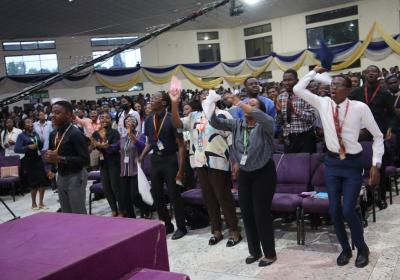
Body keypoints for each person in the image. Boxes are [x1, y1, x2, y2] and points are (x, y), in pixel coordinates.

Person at [293, 66, 384, 268]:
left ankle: (362, 248)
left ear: (348, 89)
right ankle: (345, 248)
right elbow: (298, 89)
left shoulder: (360, 108)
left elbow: (378, 136)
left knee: (348, 210)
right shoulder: (323, 103)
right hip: (332, 162)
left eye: (338, 85)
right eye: (332, 84)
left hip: (352, 163)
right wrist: (313, 73)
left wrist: (376, 163)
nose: (333, 88)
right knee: (333, 211)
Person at [206, 92, 277, 267]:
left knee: (261, 214)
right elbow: (215, 122)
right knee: (247, 214)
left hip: (264, 173)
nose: (247, 106)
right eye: (246, 103)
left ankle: (269, 253)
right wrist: (211, 103)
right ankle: (254, 251)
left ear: (260, 110)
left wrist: (238, 102)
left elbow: (261, 116)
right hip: (245, 174)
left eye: (253, 104)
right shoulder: (238, 124)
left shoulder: (265, 123)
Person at [170, 90, 242, 247]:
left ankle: (234, 231)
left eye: (207, 95)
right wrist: (174, 104)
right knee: (209, 199)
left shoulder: (223, 114)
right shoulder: (194, 116)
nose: (204, 97)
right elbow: (177, 124)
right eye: (201, 96)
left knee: (223, 197)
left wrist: (235, 162)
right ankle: (216, 230)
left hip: (218, 161)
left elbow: (232, 140)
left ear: (215, 99)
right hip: (200, 162)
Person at [139, 91, 187, 240]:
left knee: (174, 194)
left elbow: (181, 145)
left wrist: (181, 168)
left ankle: (181, 227)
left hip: (170, 160)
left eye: (154, 98)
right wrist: (142, 156)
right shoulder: (148, 120)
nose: (150, 100)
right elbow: (150, 142)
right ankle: (167, 224)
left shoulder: (172, 119)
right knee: (157, 194)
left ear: (164, 103)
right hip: (155, 160)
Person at [348, 65, 396, 209]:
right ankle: (364, 198)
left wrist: (390, 128)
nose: (371, 74)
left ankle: (380, 197)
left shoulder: (385, 93)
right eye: (368, 72)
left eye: (374, 72)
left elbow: (392, 114)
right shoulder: (356, 92)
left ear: (378, 74)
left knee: (378, 166)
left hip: (378, 134)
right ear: (364, 74)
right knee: (361, 165)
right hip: (361, 133)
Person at [45, 100, 90, 214]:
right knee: (66, 213)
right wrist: (51, 167)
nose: (53, 116)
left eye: (57, 113)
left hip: (76, 175)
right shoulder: (53, 134)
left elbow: (85, 160)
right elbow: (53, 154)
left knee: (78, 213)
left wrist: (60, 159)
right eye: (52, 113)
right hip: (61, 176)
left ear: (69, 115)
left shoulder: (76, 134)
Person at [275, 69, 316, 153]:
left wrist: (295, 111)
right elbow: (279, 123)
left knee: (305, 165)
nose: (286, 83)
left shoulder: (305, 95)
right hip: (288, 138)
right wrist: (279, 113)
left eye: (290, 80)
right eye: (284, 80)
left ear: (297, 81)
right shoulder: (280, 97)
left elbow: (312, 118)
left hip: (305, 137)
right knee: (292, 165)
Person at [120, 115, 152, 218]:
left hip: (136, 170)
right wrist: (101, 146)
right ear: (124, 125)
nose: (129, 122)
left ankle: (147, 210)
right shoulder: (122, 138)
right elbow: (113, 148)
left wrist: (131, 136)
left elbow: (142, 147)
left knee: (135, 195)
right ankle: (131, 218)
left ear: (135, 124)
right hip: (125, 170)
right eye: (127, 121)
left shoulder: (140, 135)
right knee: (125, 197)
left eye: (131, 121)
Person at [15, 118, 49, 210]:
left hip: (38, 159)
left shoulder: (35, 134)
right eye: (28, 122)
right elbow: (16, 149)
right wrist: (28, 147)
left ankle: (41, 203)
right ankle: (33, 203)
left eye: (31, 122)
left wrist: (41, 142)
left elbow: (40, 147)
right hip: (28, 161)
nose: (31, 123)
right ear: (24, 125)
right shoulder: (21, 136)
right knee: (33, 183)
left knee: (42, 181)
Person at [92, 113, 122, 217]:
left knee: (115, 187)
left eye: (107, 118)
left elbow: (114, 148)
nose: (104, 119)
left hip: (114, 163)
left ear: (111, 120)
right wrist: (95, 145)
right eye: (102, 117)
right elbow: (93, 145)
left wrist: (101, 145)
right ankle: (114, 209)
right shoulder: (96, 133)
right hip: (103, 163)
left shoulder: (115, 133)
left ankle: (122, 210)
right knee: (106, 188)